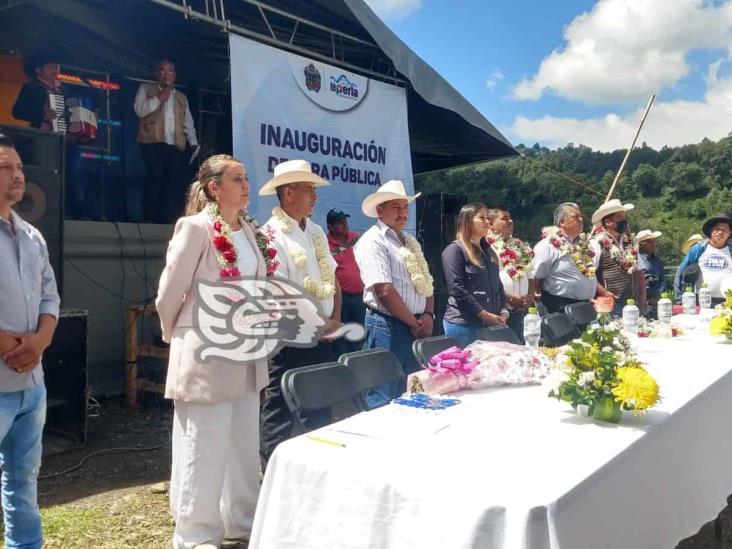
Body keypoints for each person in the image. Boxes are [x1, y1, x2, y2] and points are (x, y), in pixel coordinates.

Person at [156, 154, 268, 549]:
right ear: (213, 188)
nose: (246, 185)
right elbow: (169, 292)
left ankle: (241, 520)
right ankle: (196, 534)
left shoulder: (251, 231)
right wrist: (178, 335)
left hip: (247, 349)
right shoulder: (196, 228)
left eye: (247, 178)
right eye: (237, 179)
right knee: (203, 442)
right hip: (206, 349)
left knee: (241, 440)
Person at [258, 159, 341, 461]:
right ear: (288, 193)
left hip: (324, 336)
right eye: (309, 189)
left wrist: (334, 319)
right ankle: (270, 473)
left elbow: (333, 279)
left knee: (319, 406)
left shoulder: (317, 231)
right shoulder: (271, 234)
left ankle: (316, 469)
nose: (315, 196)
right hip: (290, 339)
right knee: (279, 409)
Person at [0, 132, 60, 549]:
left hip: (31, 386)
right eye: (6, 167)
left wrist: (38, 342)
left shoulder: (33, 236)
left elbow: (49, 296)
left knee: (23, 481)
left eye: (19, 167)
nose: (18, 175)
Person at [354, 179, 434, 396]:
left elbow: (427, 281)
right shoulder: (373, 241)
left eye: (405, 207)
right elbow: (384, 290)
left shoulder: (409, 241)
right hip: (388, 327)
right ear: (380, 211)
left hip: (416, 325)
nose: (402, 213)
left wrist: (428, 314)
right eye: (396, 207)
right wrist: (415, 323)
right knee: (385, 393)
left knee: (413, 390)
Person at [134, 59, 199, 224]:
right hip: (151, 141)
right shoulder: (146, 89)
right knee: (155, 176)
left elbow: (188, 122)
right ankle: (149, 217)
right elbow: (140, 111)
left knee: (170, 181)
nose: (166, 74)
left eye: (170, 71)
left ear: (175, 75)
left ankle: (167, 218)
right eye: (162, 71)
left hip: (174, 144)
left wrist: (193, 142)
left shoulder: (182, 97)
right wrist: (159, 98)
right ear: (156, 74)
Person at [442, 203, 508, 347]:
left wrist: (503, 310)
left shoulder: (489, 251)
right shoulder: (455, 250)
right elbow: (456, 288)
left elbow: (498, 285)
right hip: (464, 325)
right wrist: (484, 314)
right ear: (468, 222)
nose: (487, 222)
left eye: (487, 218)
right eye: (481, 218)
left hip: (490, 324)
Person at [531, 202, 610, 314]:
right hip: (558, 306)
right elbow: (535, 277)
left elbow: (589, 274)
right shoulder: (548, 245)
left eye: (580, 216)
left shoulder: (585, 244)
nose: (581, 220)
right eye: (575, 217)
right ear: (562, 222)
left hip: (586, 305)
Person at [485, 206, 535, 343]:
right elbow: (488, 281)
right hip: (500, 311)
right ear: (490, 224)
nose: (510, 221)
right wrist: (509, 298)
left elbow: (530, 277)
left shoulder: (519, 246)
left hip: (520, 311)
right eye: (504, 219)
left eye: (510, 218)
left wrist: (529, 297)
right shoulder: (487, 246)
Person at [590, 199, 645, 315]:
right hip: (610, 304)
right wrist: (604, 292)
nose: (624, 221)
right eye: (620, 218)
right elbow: (588, 274)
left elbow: (640, 272)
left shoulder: (630, 243)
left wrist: (643, 298)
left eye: (624, 217)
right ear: (608, 222)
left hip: (633, 303)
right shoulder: (597, 243)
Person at [326, 208, 365, 352]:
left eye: (345, 220)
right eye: (339, 222)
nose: (344, 224)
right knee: (342, 337)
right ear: (330, 226)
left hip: (359, 296)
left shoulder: (354, 237)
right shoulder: (325, 243)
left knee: (358, 334)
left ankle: (356, 363)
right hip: (341, 299)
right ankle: (342, 366)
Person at [675, 213, 732, 303]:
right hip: (701, 298)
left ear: (729, 233)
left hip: (728, 300)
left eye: (725, 229)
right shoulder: (698, 248)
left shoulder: (731, 251)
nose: (720, 232)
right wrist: (679, 297)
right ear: (711, 231)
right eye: (717, 229)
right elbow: (681, 270)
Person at [12, 52, 65, 131]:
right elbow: (17, 112)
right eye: (50, 67)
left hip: (61, 135)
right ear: (38, 70)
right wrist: (42, 115)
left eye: (56, 67)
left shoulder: (62, 89)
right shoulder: (31, 87)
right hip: (41, 133)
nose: (55, 71)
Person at [635, 230, 666, 317]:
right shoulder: (635, 259)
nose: (653, 244)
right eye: (649, 242)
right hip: (641, 300)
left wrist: (659, 294)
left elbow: (662, 279)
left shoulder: (657, 261)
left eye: (654, 241)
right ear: (642, 244)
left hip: (656, 299)